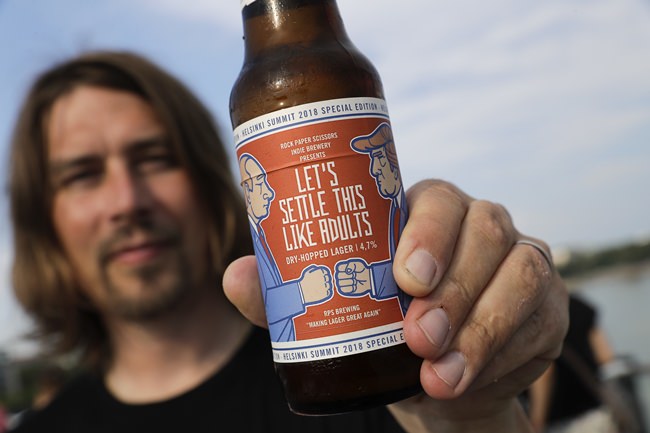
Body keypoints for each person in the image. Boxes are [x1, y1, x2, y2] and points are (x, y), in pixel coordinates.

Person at [7, 50, 568, 433]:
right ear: (41, 220)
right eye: (82, 175)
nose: (127, 201)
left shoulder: (380, 384)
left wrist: (472, 419)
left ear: (210, 179)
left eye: (155, 158)